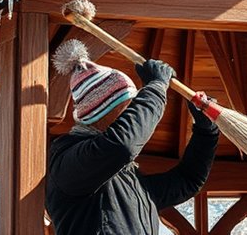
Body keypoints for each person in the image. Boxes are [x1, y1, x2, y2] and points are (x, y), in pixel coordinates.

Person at [46, 39, 219, 235]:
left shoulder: (130, 181)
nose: (134, 110)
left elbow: (188, 180)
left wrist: (206, 131)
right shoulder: (68, 165)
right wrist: (155, 88)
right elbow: (122, 146)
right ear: (107, 109)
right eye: (130, 103)